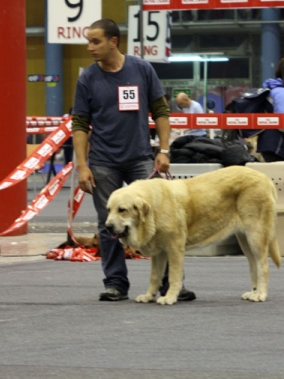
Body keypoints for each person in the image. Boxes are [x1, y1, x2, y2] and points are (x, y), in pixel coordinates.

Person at [71, 19, 195, 302]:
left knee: (161, 221)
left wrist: (164, 150)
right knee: (108, 223)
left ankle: (171, 284)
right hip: (103, 162)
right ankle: (115, 282)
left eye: (96, 41)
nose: (90, 47)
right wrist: (82, 165)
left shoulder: (141, 69)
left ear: (113, 41)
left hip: (141, 159)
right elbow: (80, 123)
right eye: (88, 42)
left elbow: (161, 111)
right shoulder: (87, 79)